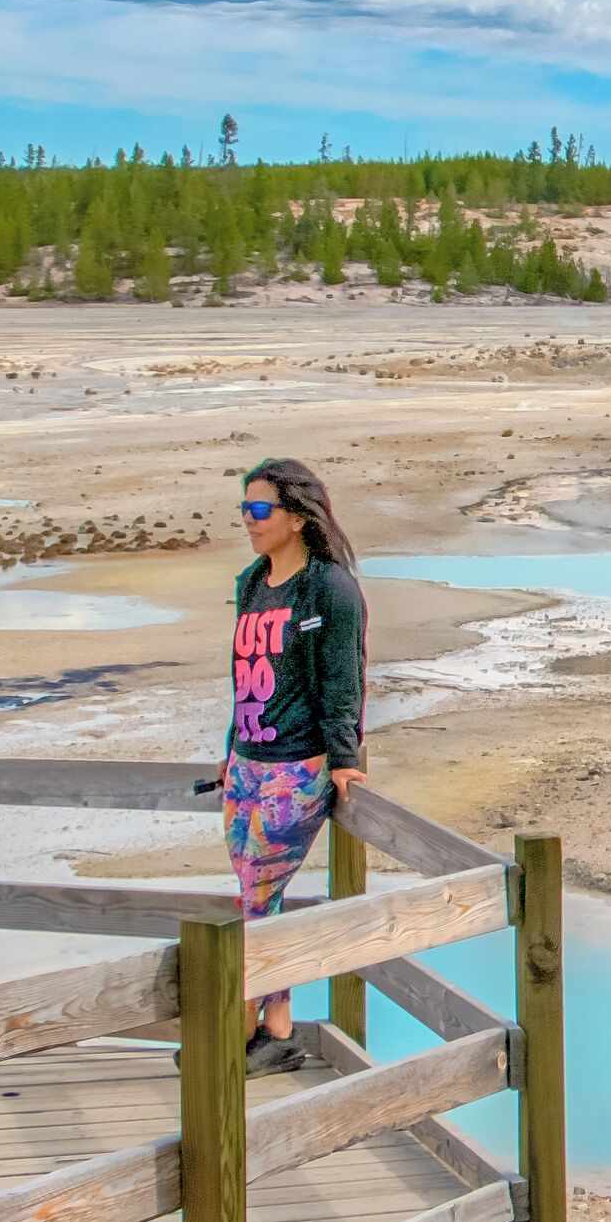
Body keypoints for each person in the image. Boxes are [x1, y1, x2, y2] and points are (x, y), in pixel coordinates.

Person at [222, 455, 366, 1072]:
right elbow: (243, 680)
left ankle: (232, 1028)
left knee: (257, 899)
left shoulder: (328, 589)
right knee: (256, 899)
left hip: (295, 768)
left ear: (298, 517)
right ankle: (277, 1029)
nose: (249, 521)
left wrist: (343, 759)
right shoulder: (252, 582)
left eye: (260, 509)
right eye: (245, 510)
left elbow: (342, 677)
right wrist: (230, 752)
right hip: (248, 762)